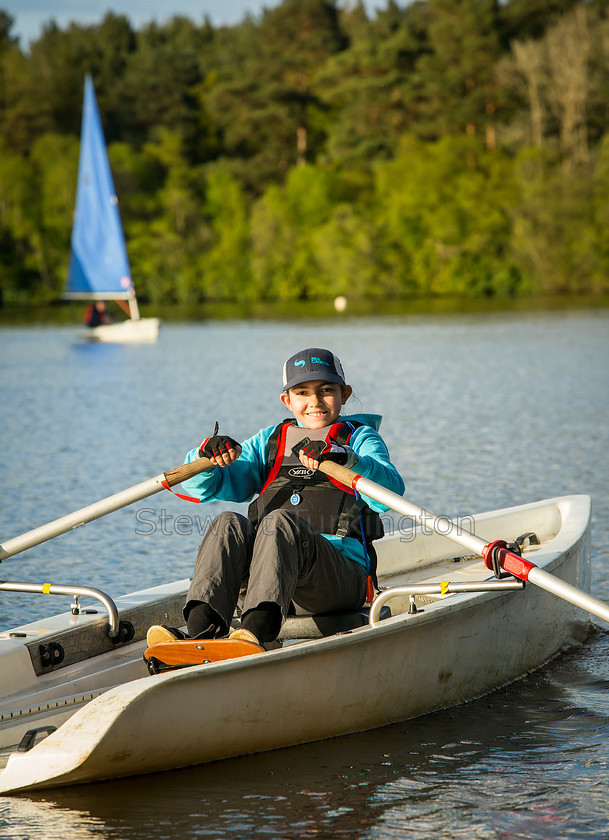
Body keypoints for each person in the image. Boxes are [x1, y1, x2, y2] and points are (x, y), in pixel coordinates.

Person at [147, 348, 405, 649]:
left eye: (326, 391)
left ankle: (257, 634)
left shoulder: (360, 439)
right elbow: (208, 487)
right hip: (266, 581)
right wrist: (206, 455)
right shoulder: (269, 441)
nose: (315, 402)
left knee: (280, 522)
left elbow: (389, 493)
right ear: (287, 400)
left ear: (345, 394)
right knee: (228, 522)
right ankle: (201, 632)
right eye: (303, 392)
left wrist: (346, 458)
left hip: (336, 583)